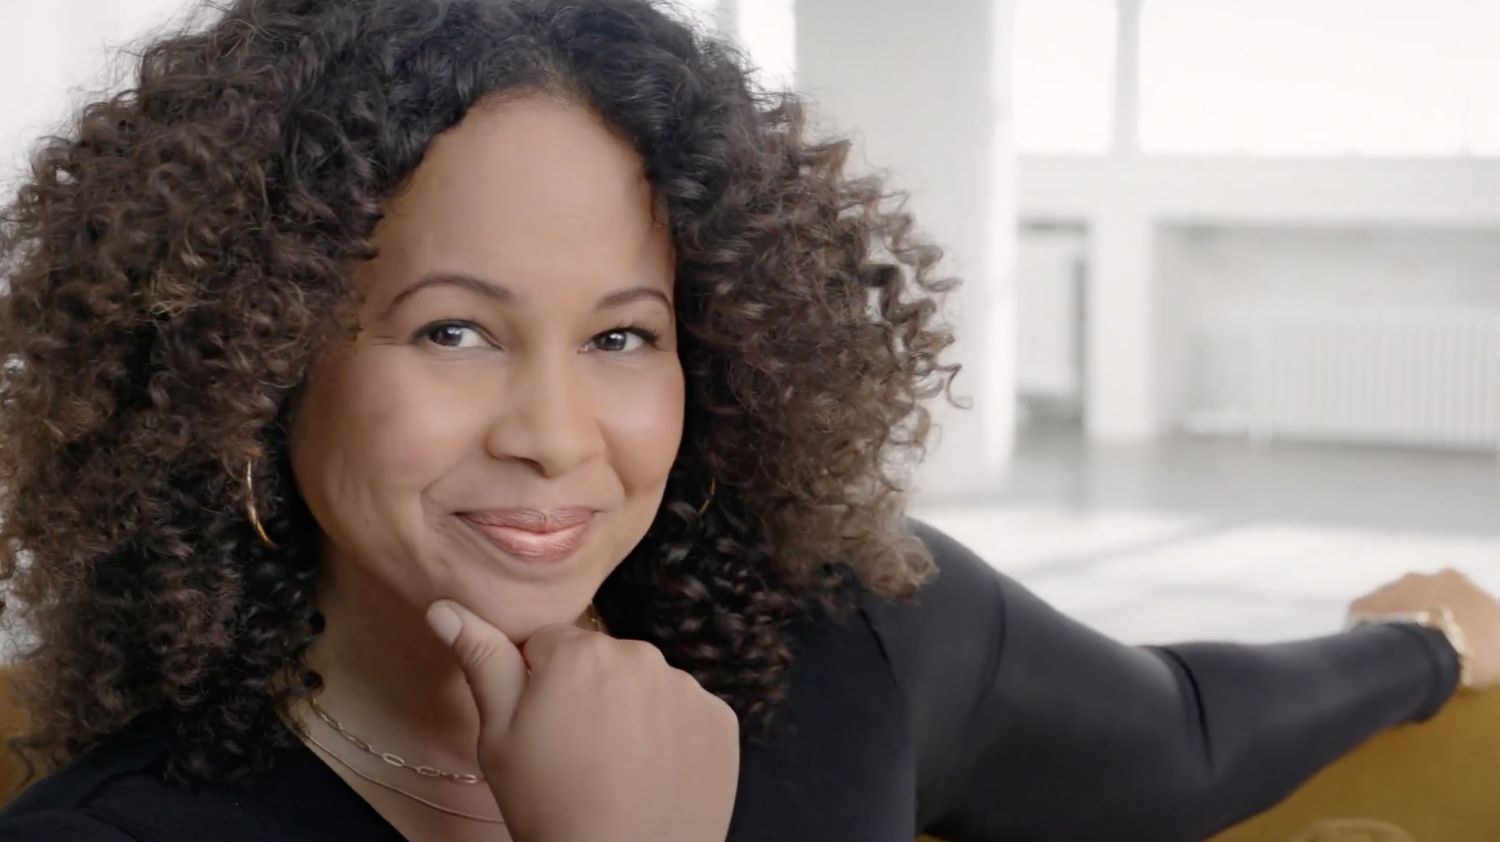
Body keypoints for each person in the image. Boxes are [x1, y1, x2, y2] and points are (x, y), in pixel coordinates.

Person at [0, 1, 1495, 840]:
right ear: (256, 358)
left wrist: (1421, 647)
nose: (555, 431)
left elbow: (1179, 738)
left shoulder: (847, 642)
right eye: (453, 328)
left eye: (622, 336)